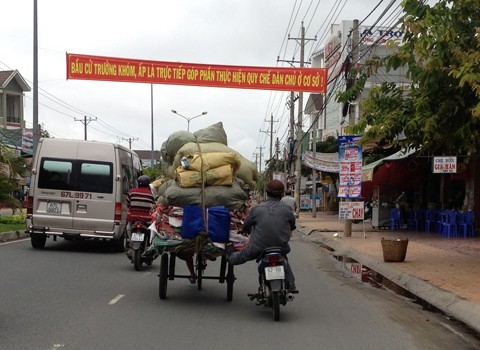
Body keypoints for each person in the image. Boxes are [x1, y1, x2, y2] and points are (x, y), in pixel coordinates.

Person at [227, 179, 297, 291]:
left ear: (267, 192)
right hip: (281, 246)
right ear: (282, 194)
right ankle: (291, 283)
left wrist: (243, 230)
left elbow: (246, 226)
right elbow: (292, 225)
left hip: (258, 248)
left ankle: (229, 253)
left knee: (235, 258)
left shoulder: (256, 209)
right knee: (284, 257)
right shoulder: (288, 209)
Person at [126, 175, 156, 259]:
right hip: (147, 220)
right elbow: (154, 206)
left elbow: (128, 204)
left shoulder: (132, 192)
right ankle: (149, 245)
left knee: (128, 229)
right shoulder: (151, 195)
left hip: (133, 219)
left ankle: (129, 242)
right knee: (152, 231)